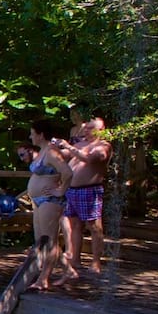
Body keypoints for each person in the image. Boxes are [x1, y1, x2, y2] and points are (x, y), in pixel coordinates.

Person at [26, 122, 78, 290]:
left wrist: (61, 190)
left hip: (50, 201)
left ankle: (44, 278)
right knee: (41, 239)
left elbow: (67, 172)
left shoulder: (51, 152)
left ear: (41, 134)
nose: (30, 136)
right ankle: (68, 270)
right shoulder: (42, 151)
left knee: (49, 240)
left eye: (32, 133)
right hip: (38, 200)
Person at [61, 116, 113, 280]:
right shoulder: (79, 144)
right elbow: (63, 155)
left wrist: (70, 147)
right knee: (75, 225)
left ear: (101, 130)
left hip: (90, 190)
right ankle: (75, 259)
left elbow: (91, 159)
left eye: (90, 128)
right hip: (72, 190)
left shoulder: (103, 146)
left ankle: (96, 262)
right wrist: (54, 146)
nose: (86, 130)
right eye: (86, 128)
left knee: (94, 226)